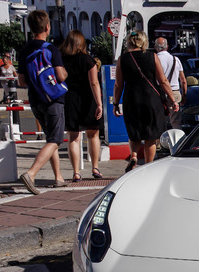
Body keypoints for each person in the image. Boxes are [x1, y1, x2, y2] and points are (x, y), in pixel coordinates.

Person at [17, 9, 68, 194]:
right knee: (55, 140)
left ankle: (58, 177)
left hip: (36, 99)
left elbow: (21, 81)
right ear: (47, 27)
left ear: (31, 28)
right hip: (54, 99)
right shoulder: (50, 49)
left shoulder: (24, 51)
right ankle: (31, 173)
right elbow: (61, 76)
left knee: (50, 139)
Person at [113, 30, 179, 170]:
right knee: (151, 136)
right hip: (151, 99)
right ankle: (148, 166)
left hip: (131, 99)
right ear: (144, 41)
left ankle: (134, 155)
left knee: (134, 133)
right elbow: (163, 80)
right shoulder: (152, 56)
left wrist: (115, 103)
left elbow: (118, 84)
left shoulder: (123, 59)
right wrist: (172, 99)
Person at [60, 29, 104, 182]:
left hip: (70, 99)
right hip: (88, 99)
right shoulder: (88, 61)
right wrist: (99, 103)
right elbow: (94, 82)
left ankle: (76, 172)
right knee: (93, 134)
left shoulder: (62, 59)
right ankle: (95, 167)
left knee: (73, 137)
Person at [154, 37, 186, 130]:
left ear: (155, 47)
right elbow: (183, 80)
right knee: (176, 120)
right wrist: (184, 95)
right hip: (174, 92)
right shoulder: (176, 60)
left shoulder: (154, 60)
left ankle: (159, 142)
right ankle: (177, 141)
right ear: (167, 46)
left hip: (158, 92)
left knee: (159, 119)